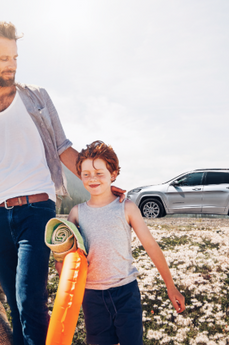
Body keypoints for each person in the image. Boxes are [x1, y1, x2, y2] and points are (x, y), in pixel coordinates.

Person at [0, 21, 124, 345]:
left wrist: (97, 182)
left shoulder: (36, 98)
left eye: (15, 57)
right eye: (4, 58)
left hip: (36, 210)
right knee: (17, 309)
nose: (12, 65)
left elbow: (62, 147)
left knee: (30, 301)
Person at [58, 141, 186, 345]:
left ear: (114, 174)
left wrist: (170, 286)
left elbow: (151, 246)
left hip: (126, 293)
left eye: (100, 173)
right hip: (92, 297)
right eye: (86, 174)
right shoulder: (76, 213)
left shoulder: (126, 208)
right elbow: (64, 258)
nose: (93, 179)